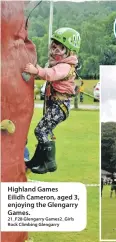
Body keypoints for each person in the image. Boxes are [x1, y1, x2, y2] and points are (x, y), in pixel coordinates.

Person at [24, 27, 81, 174]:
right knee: (45, 132)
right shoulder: (59, 64)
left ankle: (50, 162)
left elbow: (51, 74)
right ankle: (39, 162)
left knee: (40, 130)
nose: (54, 51)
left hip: (59, 106)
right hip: (56, 105)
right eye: (53, 47)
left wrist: (36, 71)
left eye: (59, 49)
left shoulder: (65, 67)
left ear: (68, 51)